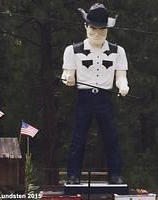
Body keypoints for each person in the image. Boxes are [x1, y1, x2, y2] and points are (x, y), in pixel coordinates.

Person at [61, 3, 129, 184]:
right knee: (78, 137)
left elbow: (121, 77)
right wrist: (68, 78)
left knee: (111, 137)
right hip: (84, 97)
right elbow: (66, 74)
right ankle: (73, 175)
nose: (98, 33)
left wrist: (123, 86)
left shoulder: (117, 51)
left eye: (102, 29)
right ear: (86, 26)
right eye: (93, 28)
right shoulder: (72, 50)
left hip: (104, 98)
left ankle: (115, 175)